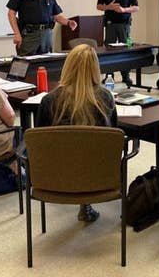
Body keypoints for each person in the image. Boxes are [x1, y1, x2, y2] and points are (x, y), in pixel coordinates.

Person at [36, 44, 118, 222]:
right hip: (99, 176)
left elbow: (39, 144)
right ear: (96, 68)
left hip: (55, 177)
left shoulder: (48, 100)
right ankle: (85, 203)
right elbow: (116, 140)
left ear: (67, 66)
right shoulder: (106, 98)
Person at [7, 0, 77, 56]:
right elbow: (11, 13)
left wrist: (68, 22)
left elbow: (57, 16)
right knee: (27, 64)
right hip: (29, 35)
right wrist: (17, 34)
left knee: (46, 63)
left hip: (47, 35)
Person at [97, 0, 140, 85]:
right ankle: (109, 75)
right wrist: (109, 7)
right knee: (109, 50)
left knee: (125, 50)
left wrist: (124, 10)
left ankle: (126, 75)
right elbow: (99, 6)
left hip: (124, 24)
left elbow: (136, 7)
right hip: (110, 23)